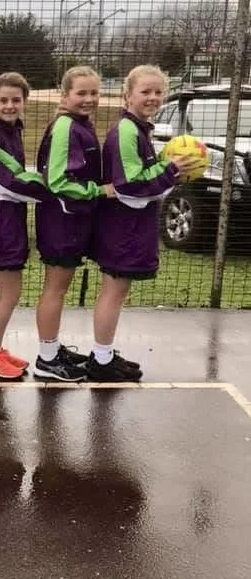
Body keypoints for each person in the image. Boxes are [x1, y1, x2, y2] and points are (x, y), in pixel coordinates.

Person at [89, 64, 197, 382]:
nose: (152, 97)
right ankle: (101, 359)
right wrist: (171, 169)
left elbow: (141, 177)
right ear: (128, 94)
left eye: (158, 92)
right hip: (122, 225)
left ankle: (103, 353)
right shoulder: (125, 131)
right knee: (113, 290)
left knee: (116, 290)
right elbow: (129, 185)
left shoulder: (139, 129)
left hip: (132, 224)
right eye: (145, 91)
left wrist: (167, 165)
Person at [33, 66, 114, 382]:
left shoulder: (80, 125)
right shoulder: (66, 126)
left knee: (59, 288)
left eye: (94, 92)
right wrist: (98, 190)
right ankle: (46, 358)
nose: (89, 98)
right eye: (81, 93)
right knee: (55, 288)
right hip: (61, 221)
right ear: (64, 94)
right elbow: (55, 180)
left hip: (72, 220)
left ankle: (52, 349)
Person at [0, 72, 49, 379]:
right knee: (8, 293)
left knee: (12, 292)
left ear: (24, 102)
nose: (9, 105)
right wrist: (53, 190)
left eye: (16, 100)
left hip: (10, 218)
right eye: (3, 100)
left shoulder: (12, 130)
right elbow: (12, 181)